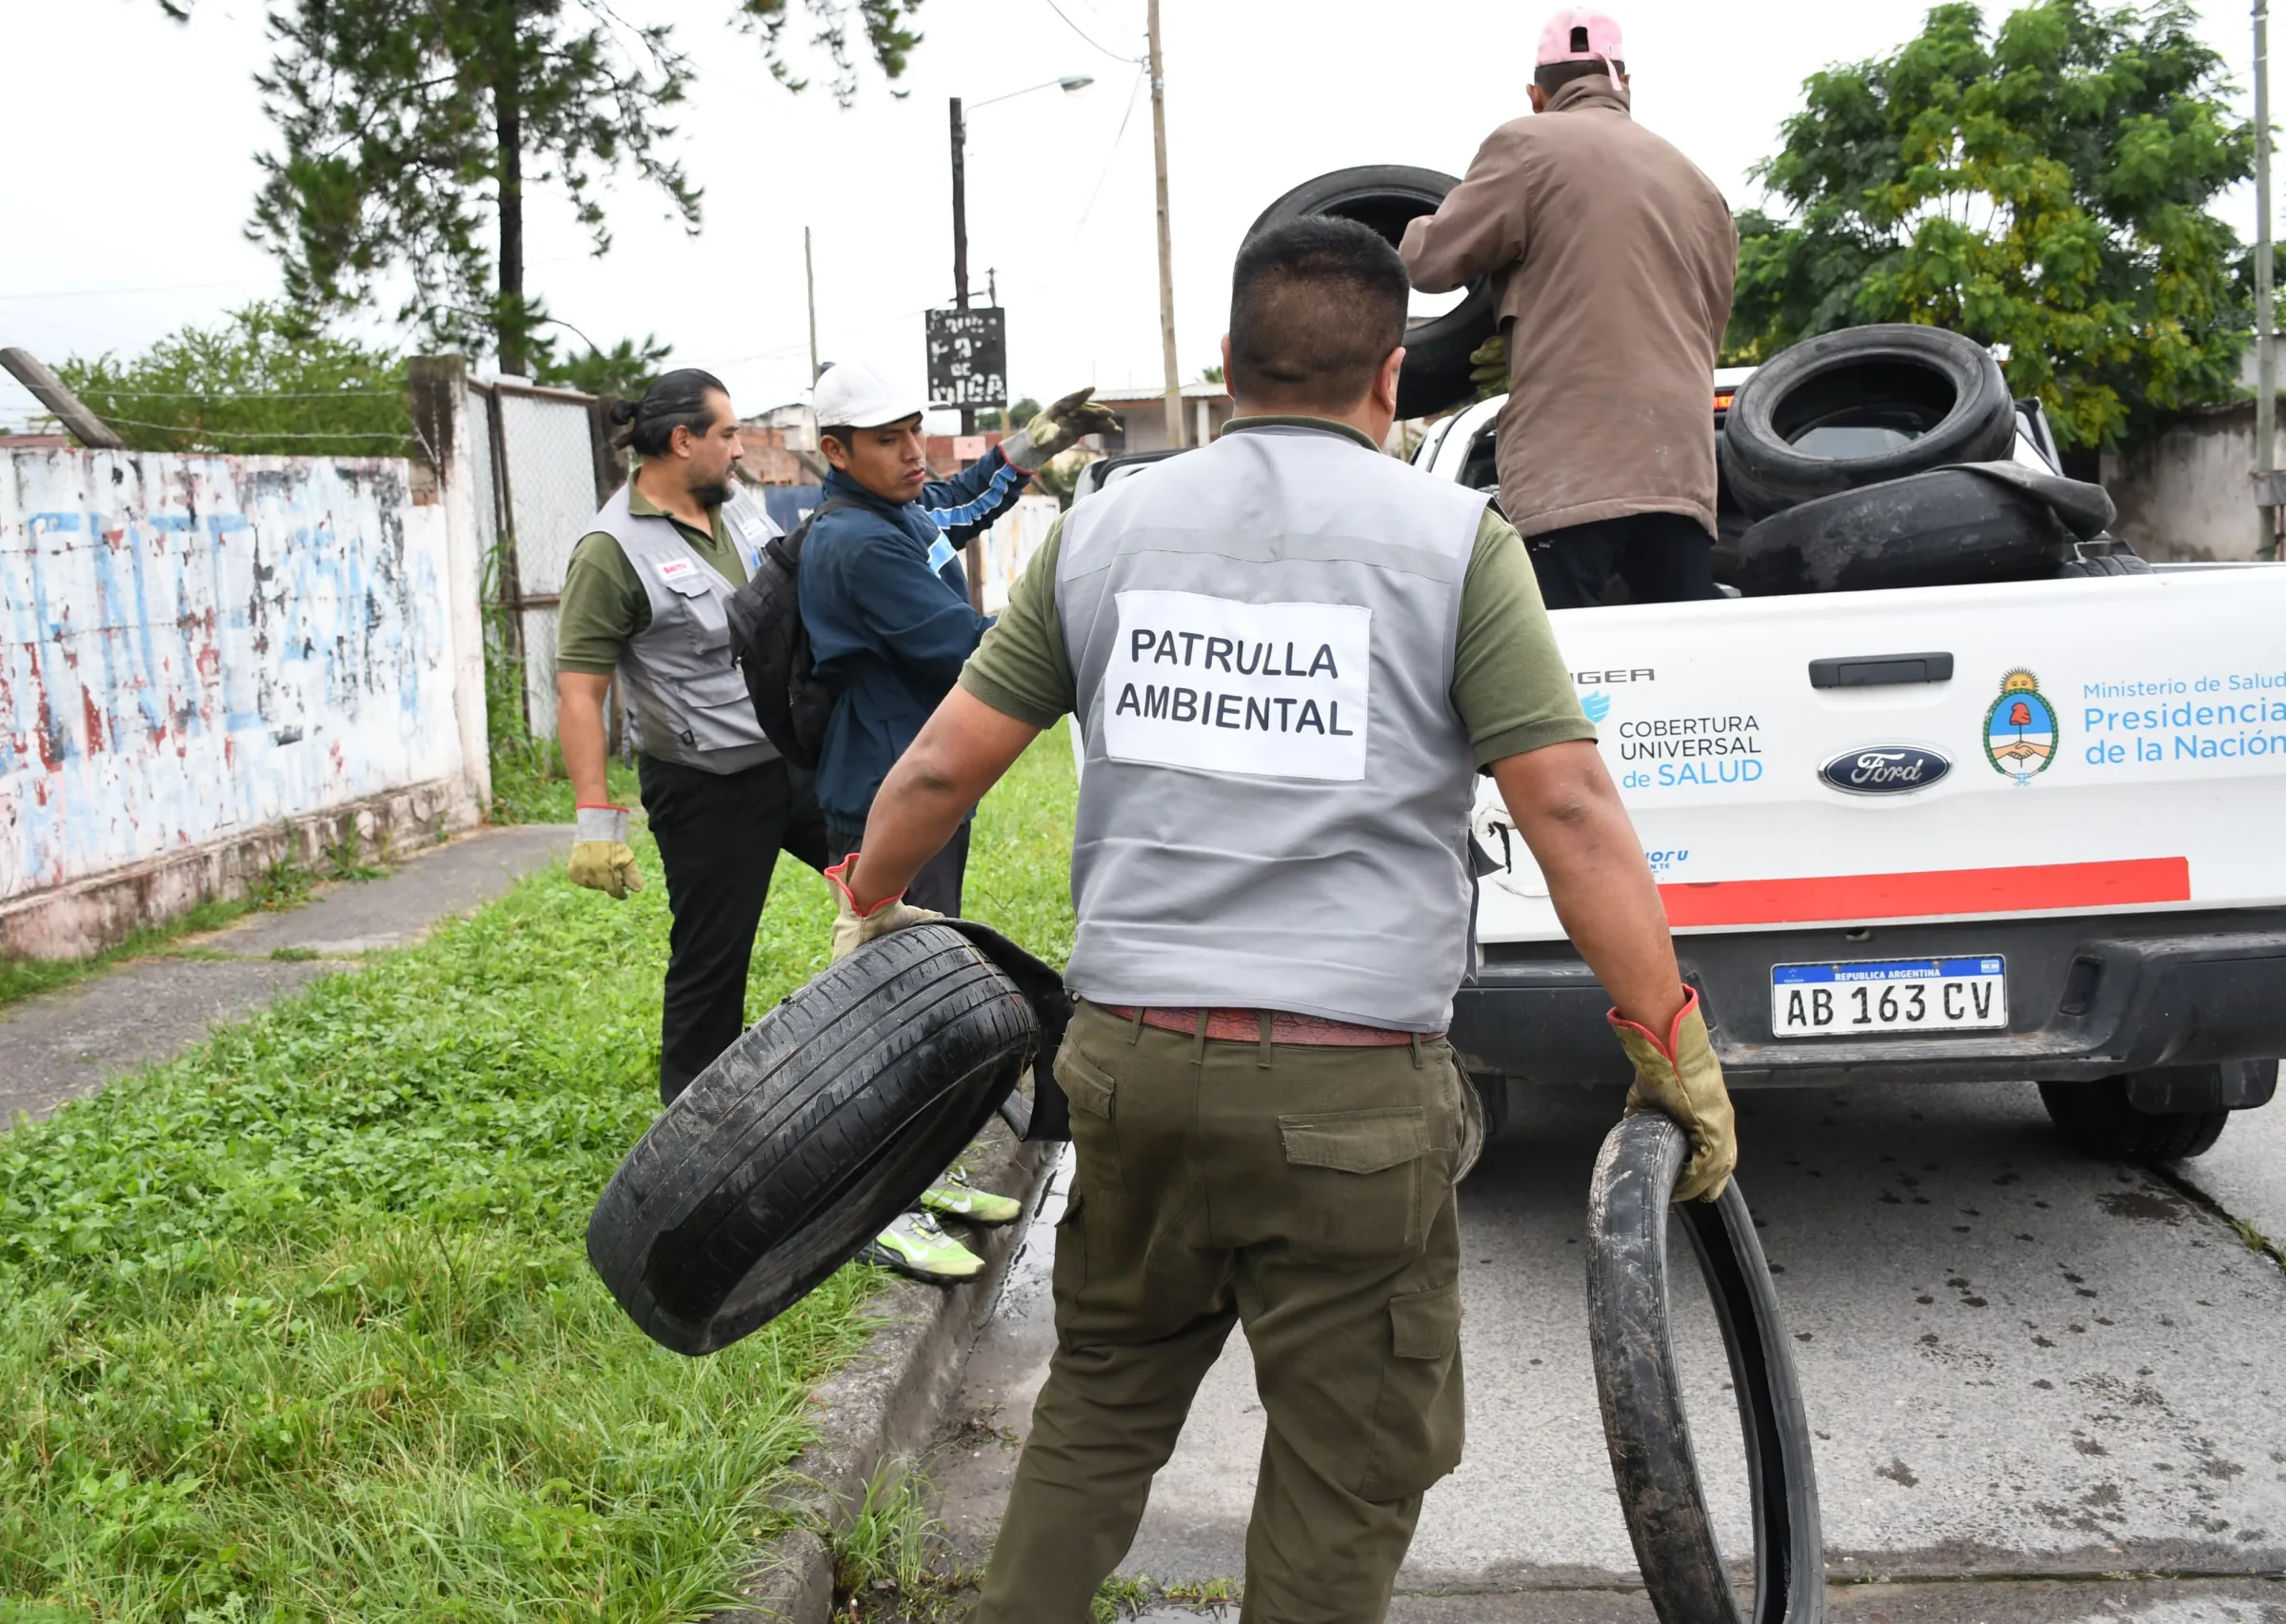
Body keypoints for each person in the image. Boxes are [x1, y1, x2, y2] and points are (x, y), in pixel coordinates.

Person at [825, 219, 1737, 1624]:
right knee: (1345, 1464)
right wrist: (1666, 1037)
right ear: (1389, 379)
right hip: (1351, 1100)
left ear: (1233, 365)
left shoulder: (1106, 527)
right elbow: (1568, 812)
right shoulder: (1453, 542)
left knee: (1101, 1409)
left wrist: (872, 897)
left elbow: (946, 763)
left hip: (1130, 1074)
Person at [804, 361, 1122, 1285]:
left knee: (916, 985)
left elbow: (952, 505)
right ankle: (876, 1206)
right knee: (882, 1008)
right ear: (835, 451)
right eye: (887, 439)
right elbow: (975, 647)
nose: (911, 452)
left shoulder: (894, 511)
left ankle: (918, 1172)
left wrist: (1026, 449)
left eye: (914, 429)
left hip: (924, 783)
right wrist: (1087, 635)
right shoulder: (856, 543)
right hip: (886, 792)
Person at [1400, 6, 1738, 610]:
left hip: (1570, 476)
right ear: (1626, 84)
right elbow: (1703, 326)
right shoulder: (1700, 185)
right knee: (1683, 675)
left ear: (1537, 94)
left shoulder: (1525, 144)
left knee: (1561, 680)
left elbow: (1429, 263)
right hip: (1681, 477)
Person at [554, 370, 830, 1105]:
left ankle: (919, 1058)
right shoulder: (611, 550)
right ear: (683, 442)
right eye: (728, 435)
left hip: (796, 764)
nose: (739, 450)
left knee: (888, 885)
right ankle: (694, 1135)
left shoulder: (740, 514)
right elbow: (581, 690)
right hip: (709, 790)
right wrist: (593, 819)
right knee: (712, 964)